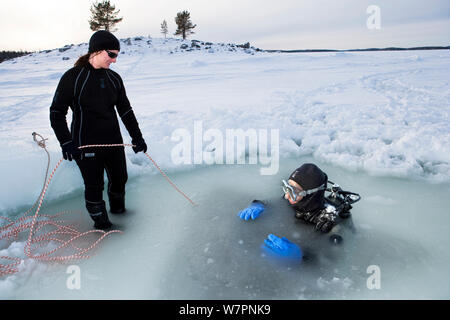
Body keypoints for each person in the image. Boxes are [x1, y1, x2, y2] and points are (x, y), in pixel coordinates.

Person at [50, 30, 147, 230]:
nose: (114, 60)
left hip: (113, 141)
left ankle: (120, 213)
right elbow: (56, 112)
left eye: (117, 55)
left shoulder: (114, 79)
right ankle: (103, 228)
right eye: (111, 54)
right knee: (94, 186)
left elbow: (126, 111)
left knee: (120, 179)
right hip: (85, 143)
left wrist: (137, 137)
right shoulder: (73, 77)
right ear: (96, 51)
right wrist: (66, 141)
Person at [238, 163, 360, 260]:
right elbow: (272, 203)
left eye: (293, 191)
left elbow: (334, 259)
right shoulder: (294, 199)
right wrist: (258, 204)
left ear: (311, 195)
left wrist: (302, 256)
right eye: (287, 187)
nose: (286, 195)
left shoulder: (334, 223)